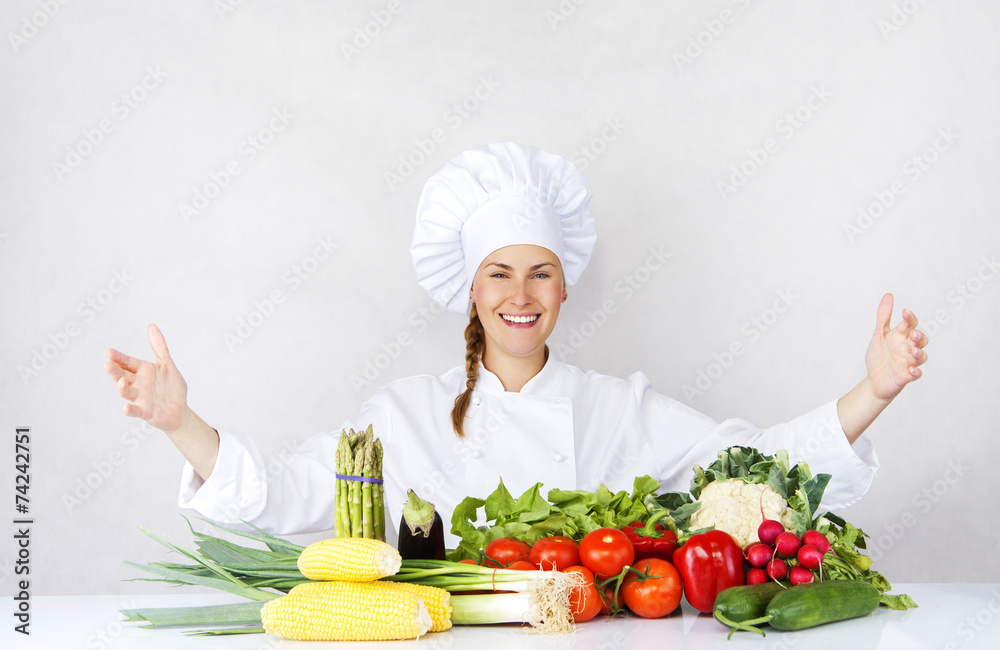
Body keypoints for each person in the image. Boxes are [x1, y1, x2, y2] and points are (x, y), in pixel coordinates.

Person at [104, 143, 928, 546]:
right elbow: (281, 495)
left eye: (540, 274)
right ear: (470, 289)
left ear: (566, 288)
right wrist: (180, 420)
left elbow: (753, 471)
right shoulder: (401, 416)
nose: (521, 296)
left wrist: (875, 393)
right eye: (499, 274)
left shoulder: (621, 409)